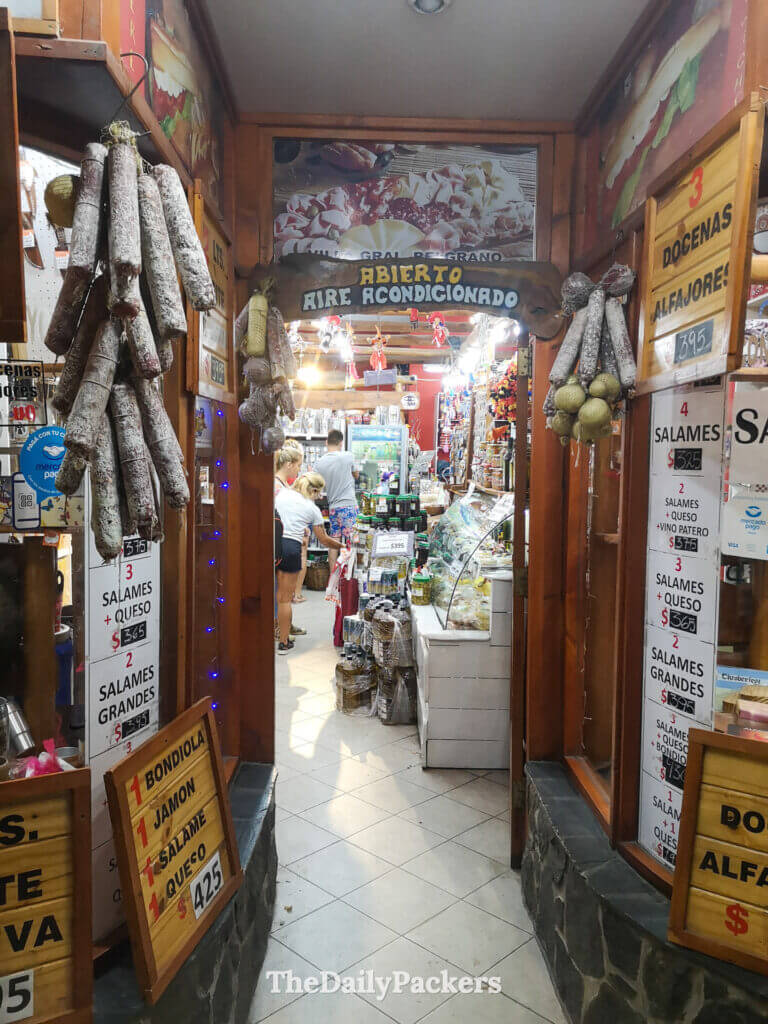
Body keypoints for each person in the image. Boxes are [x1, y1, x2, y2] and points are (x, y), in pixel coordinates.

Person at [275, 472, 342, 654]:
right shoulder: (311, 508)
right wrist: (342, 545)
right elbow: (325, 540)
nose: (319, 497)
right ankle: (283, 642)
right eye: (318, 493)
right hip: (290, 548)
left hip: (270, 544)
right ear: (313, 490)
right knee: (284, 599)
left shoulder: (282, 493)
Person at [274, 445, 307, 637]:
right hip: (282, 544)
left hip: (287, 541)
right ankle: (279, 627)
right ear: (288, 464)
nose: (298, 470)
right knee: (281, 588)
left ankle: (286, 623)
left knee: (286, 589)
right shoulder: (277, 487)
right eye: (297, 466)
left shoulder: (282, 485)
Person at [314, 429, 358, 573]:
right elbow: (356, 475)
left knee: (334, 542)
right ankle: (349, 577)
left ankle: (333, 577)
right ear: (341, 443)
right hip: (348, 506)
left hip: (333, 507)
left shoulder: (319, 463)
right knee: (351, 542)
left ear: (326, 442)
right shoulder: (348, 456)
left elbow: (315, 483)